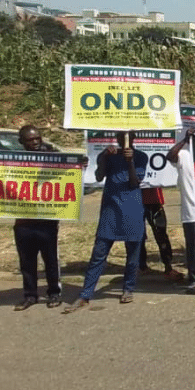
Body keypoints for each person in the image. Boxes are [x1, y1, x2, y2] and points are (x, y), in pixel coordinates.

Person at [63, 131, 148, 313]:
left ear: (134, 139)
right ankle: (85, 294)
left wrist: (130, 162)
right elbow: (99, 177)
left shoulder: (141, 156)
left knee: (133, 255)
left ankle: (128, 288)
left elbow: (135, 183)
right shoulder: (110, 155)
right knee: (98, 254)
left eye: (128, 136)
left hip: (132, 209)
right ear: (116, 138)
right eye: (120, 136)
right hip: (110, 211)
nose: (123, 140)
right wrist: (102, 158)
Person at [13, 125, 63, 310]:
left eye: (38, 139)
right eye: (30, 140)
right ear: (21, 142)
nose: (35, 143)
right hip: (23, 220)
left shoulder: (53, 159)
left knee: (50, 259)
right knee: (26, 261)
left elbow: (70, 173)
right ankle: (30, 295)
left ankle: (54, 293)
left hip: (46, 220)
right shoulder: (14, 161)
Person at [165, 127, 195, 293]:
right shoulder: (184, 155)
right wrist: (185, 141)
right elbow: (170, 156)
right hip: (191, 212)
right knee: (193, 248)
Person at [139, 186, 182, 280]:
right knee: (138, 235)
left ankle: (168, 267)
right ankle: (141, 266)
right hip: (136, 197)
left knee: (161, 233)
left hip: (153, 199)